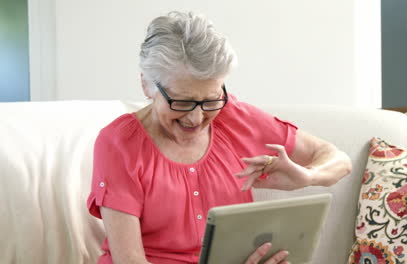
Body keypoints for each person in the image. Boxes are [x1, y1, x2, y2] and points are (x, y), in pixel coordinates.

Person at [87, 11, 352, 264]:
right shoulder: (118, 144)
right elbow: (130, 260)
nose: (196, 118)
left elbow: (337, 159)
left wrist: (306, 177)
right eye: (182, 102)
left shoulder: (234, 118)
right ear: (146, 84)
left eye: (210, 100)